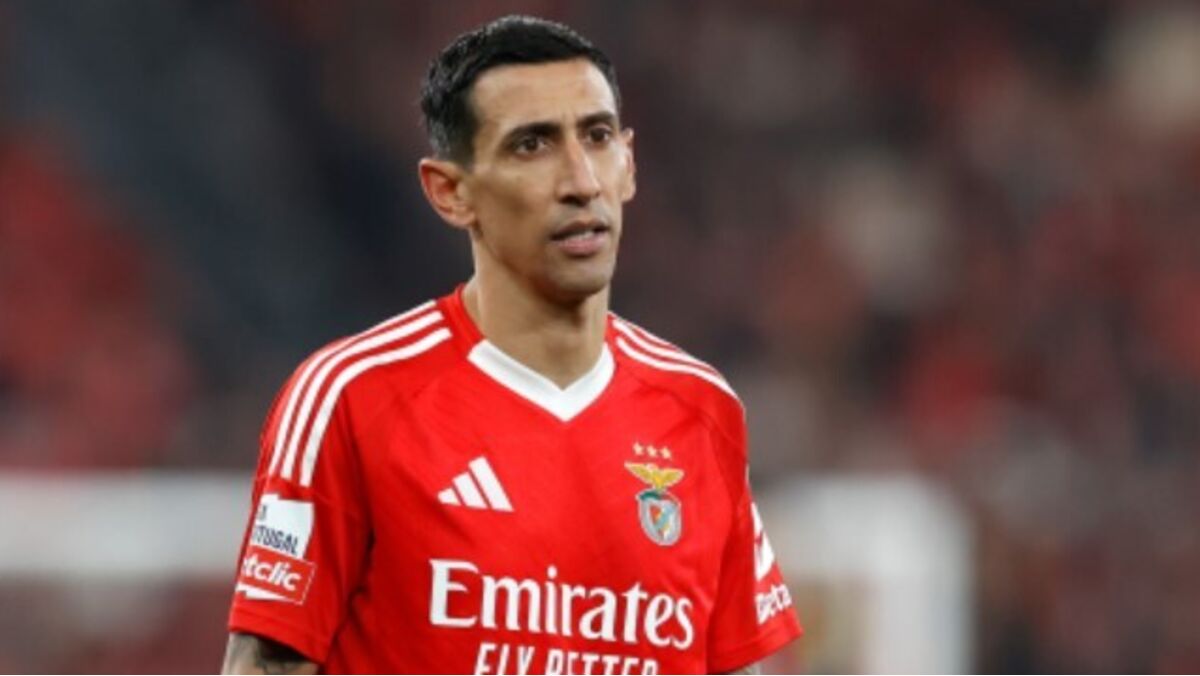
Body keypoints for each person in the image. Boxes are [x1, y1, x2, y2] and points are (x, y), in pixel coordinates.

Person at [222, 15, 801, 674]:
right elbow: (266, 664)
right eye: (532, 145)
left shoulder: (700, 411)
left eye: (597, 137)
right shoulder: (350, 400)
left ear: (629, 164)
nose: (580, 181)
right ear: (450, 192)